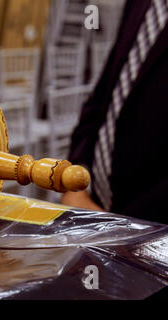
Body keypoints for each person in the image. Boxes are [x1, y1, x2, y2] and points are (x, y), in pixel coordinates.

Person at [62, 0, 168, 224]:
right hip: (97, 208)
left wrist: (125, 225)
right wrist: (76, 177)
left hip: (149, 230)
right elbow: (106, 93)